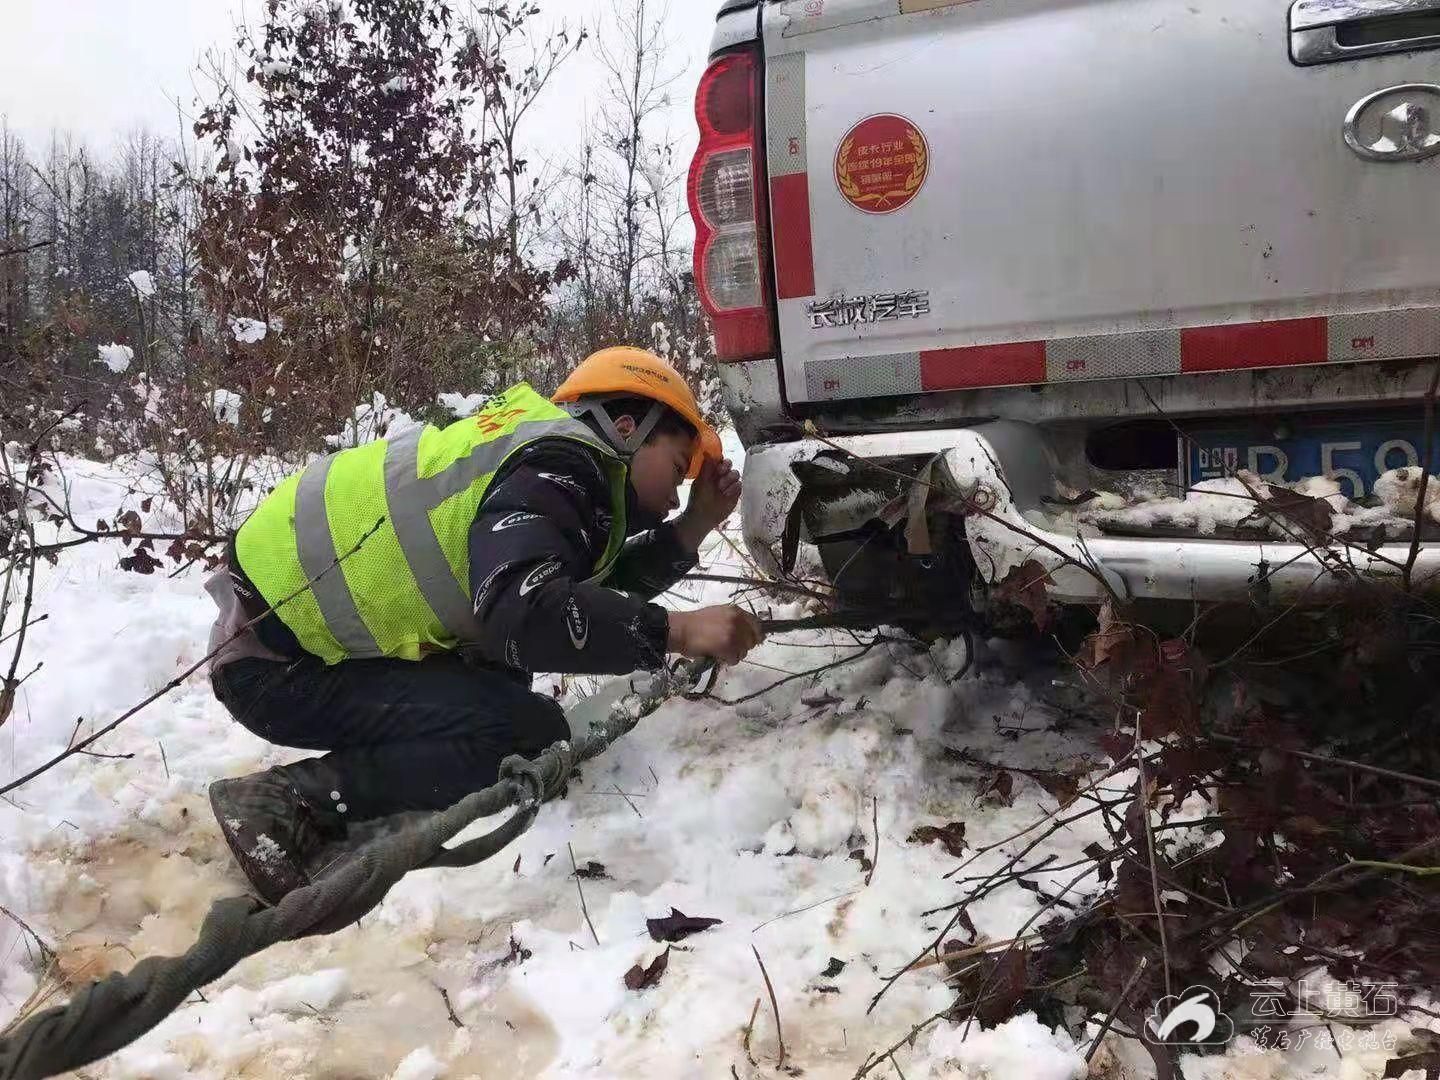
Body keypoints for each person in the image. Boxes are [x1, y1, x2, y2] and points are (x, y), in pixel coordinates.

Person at [203, 347, 764, 904]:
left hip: (273, 648)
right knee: (524, 732)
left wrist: (693, 527)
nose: (675, 494)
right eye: (676, 466)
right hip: (275, 671)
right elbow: (522, 612)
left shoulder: (546, 461)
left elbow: (584, 593)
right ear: (626, 427)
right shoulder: (560, 466)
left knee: (504, 688)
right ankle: (286, 803)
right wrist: (678, 631)